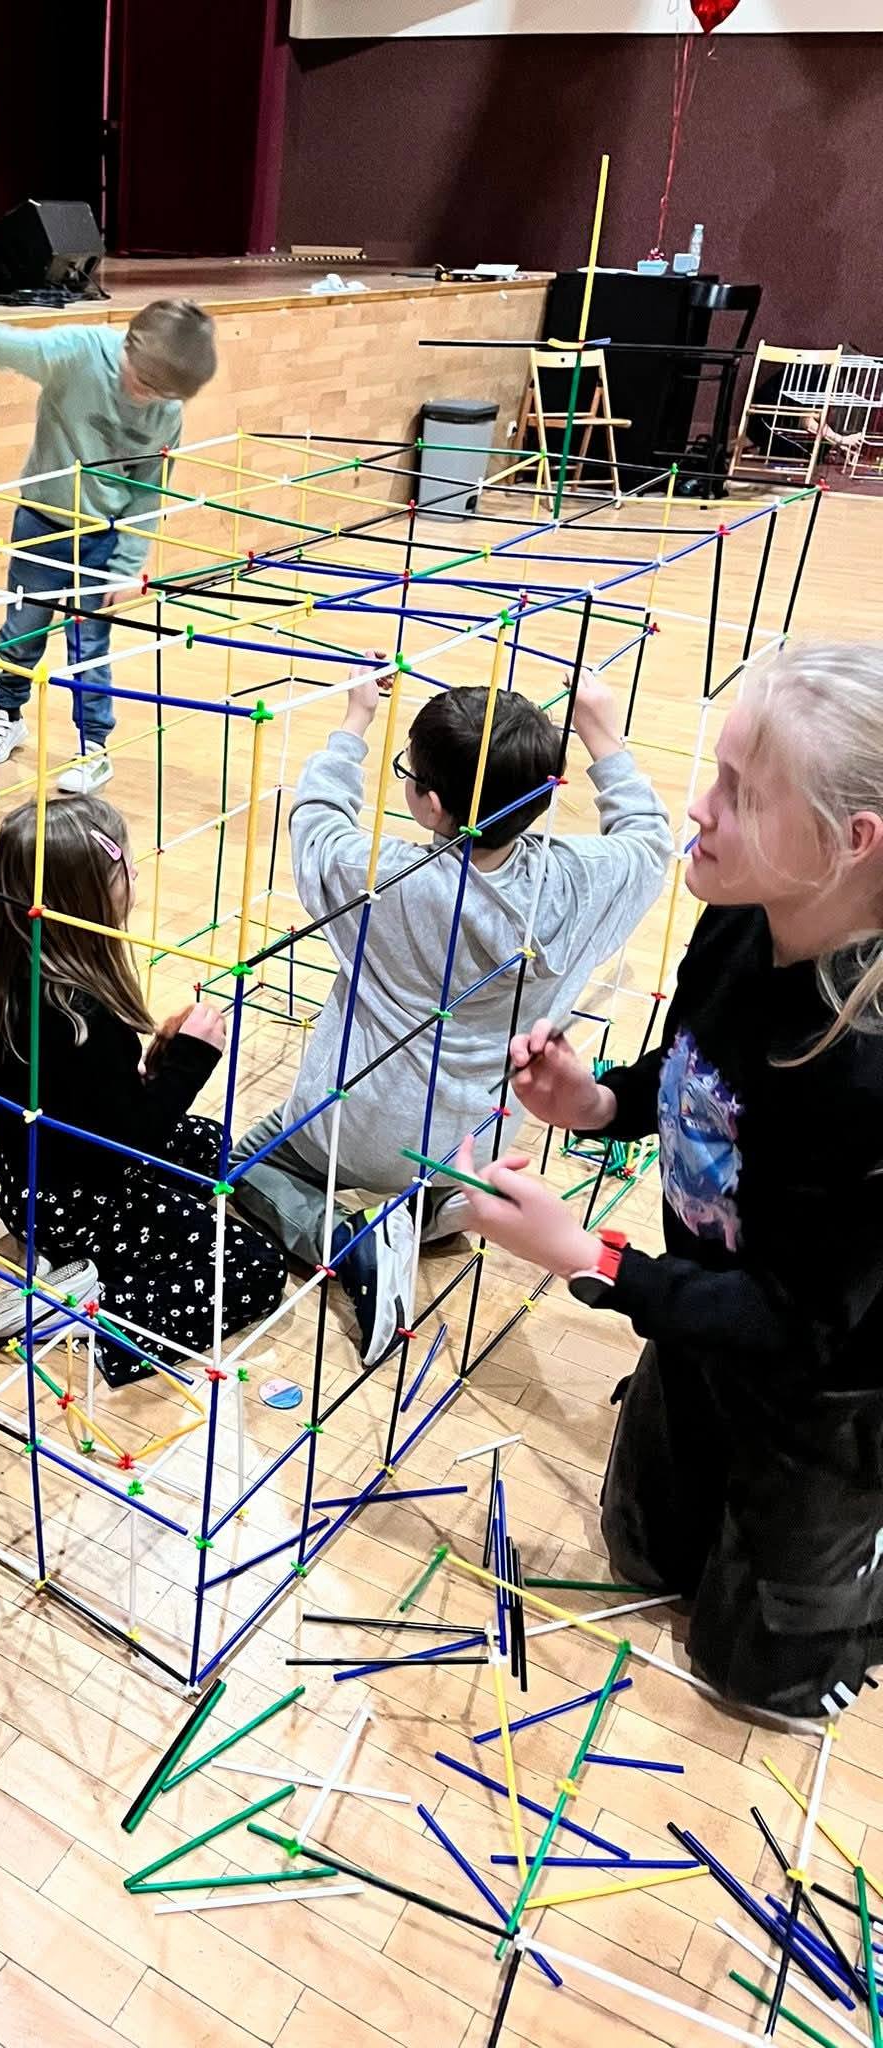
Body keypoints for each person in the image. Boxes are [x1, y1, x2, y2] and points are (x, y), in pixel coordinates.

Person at [456, 643, 883, 1722]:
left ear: (853, 842)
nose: (699, 806)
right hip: (707, 1313)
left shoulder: (868, 1071)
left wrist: (590, 1258)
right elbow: (700, 1071)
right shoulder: (740, 915)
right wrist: (601, 1102)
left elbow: (799, 1322)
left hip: (826, 1383)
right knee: (642, 1550)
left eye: (741, 792)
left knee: (769, 1683)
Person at [233, 668, 673, 1366]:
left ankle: (350, 1242)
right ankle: (448, 1208)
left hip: (354, 1126)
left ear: (432, 805)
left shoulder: (381, 878)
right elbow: (650, 840)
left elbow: (315, 821)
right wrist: (601, 733)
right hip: (479, 1140)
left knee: (242, 1162)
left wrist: (354, 722)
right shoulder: (580, 881)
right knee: (443, 1178)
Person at [0, 792, 285, 1386]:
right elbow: (129, 1142)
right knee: (255, 1269)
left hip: (25, 1183)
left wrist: (155, 1063)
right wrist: (192, 1060)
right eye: (125, 869)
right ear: (86, 896)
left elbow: (89, 1105)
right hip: (74, 1203)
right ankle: (89, 1307)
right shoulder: (80, 1014)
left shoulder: (17, 969)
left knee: (209, 1144)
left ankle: (91, 1263)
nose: (136, 876)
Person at [0, 301, 218, 795]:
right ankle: (8, 716)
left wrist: (127, 567)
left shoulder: (167, 413)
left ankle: (93, 747)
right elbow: (22, 349)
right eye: (142, 382)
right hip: (41, 524)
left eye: (161, 393)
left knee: (89, 645)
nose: (146, 397)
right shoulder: (81, 352)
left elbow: (148, 492)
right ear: (129, 345)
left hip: (103, 537)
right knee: (21, 631)